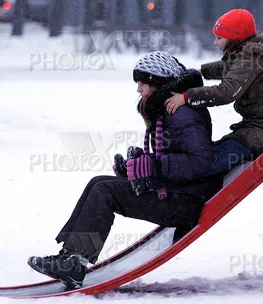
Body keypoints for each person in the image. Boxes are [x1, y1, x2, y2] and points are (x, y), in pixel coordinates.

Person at [27, 51, 223, 291]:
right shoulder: (169, 108)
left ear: (158, 82)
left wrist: (153, 166)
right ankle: (69, 256)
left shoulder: (182, 113)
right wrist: (138, 167)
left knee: (105, 191)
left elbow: (201, 160)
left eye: (142, 82)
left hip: (186, 202)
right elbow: (176, 157)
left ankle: (75, 263)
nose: (138, 89)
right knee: (98, 182)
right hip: (176, 191)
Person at [165, 9, 263, 176]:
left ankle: (166, 173)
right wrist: (202, 71)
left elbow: (227, 92)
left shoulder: (249, 59)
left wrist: (187, 97)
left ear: (235, 38)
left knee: (208, 162)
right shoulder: (247, 55)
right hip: (262, 126)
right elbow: (226, 68)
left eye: (219, 38)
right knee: (211, 154)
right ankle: (171, 170)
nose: (215, 43)